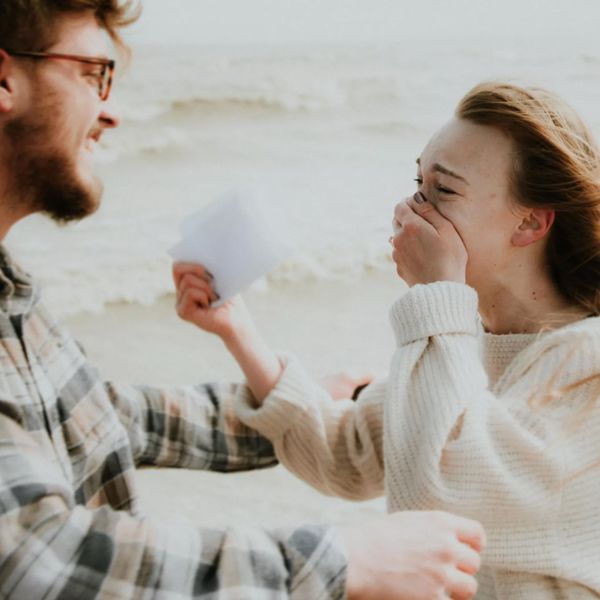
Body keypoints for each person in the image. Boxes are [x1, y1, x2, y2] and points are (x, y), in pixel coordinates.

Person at [0, 1, 487, 598]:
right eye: (92, 73)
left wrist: (294, 401)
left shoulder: (13, 294)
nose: (112, 112)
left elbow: (104, 414)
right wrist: (343, 559)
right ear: (5, 79)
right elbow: (33, 556)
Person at [175, 81, 600, 597]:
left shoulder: (586, 362)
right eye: (417, 183)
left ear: (530, 222)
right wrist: (236, 330)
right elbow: (343, 454)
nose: (411, 209)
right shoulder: (463, 347)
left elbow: (441, 495)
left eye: (443, 191)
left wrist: (438, 293)